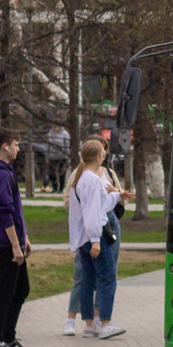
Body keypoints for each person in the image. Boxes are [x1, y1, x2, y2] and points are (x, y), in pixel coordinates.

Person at [62, 136, 133, 336]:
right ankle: (105, 324)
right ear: (95, 157)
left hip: (83, 238)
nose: (104, 158)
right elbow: (94, 213)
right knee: (107, 277)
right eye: (102, 155)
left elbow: (100, 204)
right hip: (95, 237)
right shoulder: (92, 180)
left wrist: (118, 196)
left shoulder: (81, 177)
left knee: (88, 279)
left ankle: (89, 325)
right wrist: (95, 240)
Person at [0, 128, 32, 347]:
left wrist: (25, 238)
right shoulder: (0, 174)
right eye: (16, 144)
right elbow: (4, 212)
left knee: (21, 288)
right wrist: (15, 244)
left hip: (14, 240)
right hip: (6, 243)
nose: (18, 148)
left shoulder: (5, 171)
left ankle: (8, 338)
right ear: (5, 146)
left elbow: (16, 210)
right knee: (6, 291)